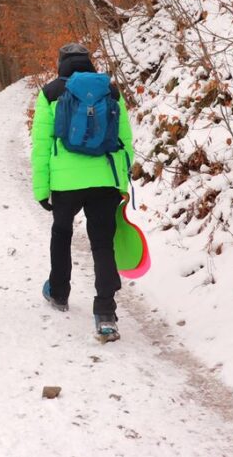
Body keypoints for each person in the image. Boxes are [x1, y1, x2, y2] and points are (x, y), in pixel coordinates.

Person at [30, 43, 134, 342]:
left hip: (65, 183)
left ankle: (59, 292)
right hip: (104, 178)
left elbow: (41, 146)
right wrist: (120, 181)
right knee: (102, 243)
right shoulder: (110, 91)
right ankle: (105, 314)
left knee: (61, 233)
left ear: (60, 63)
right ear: (89, 62)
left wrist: (41, 189)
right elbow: (125, 140)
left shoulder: (50, 92)